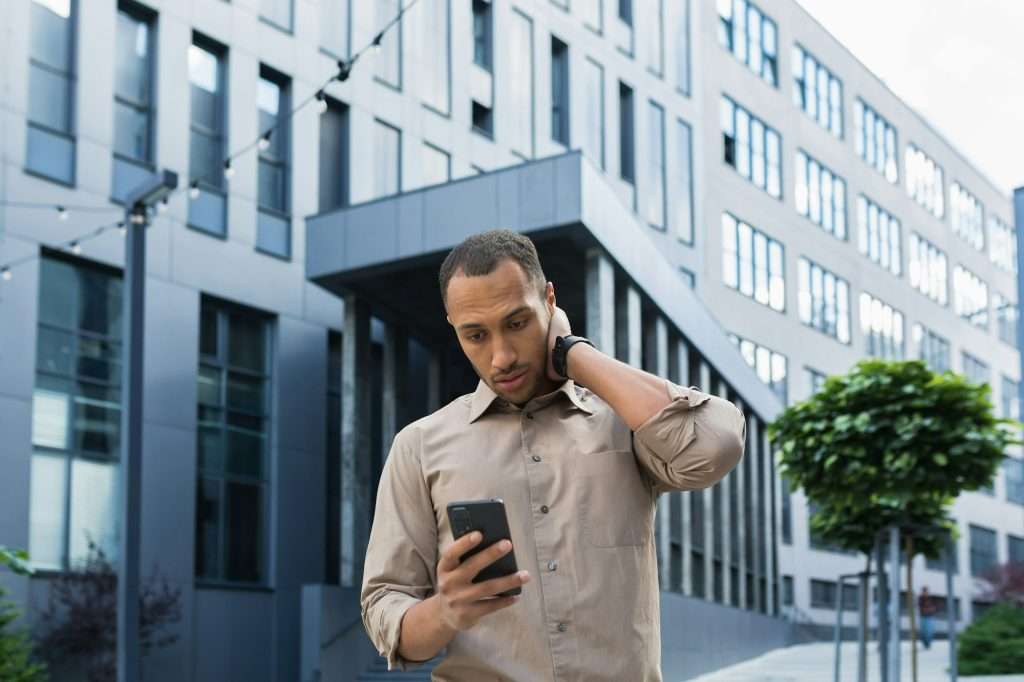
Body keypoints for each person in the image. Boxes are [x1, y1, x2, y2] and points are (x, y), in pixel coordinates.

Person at [360, 230, 746, 681]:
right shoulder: (419, 446)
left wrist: (573, 353)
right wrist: (445, 611)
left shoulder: (623, 419)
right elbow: (384, 607)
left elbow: (715, 445)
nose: (500, 356)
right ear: (453, 327)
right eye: (476, 335)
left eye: (518, 322)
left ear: (549, 300)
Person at [918, 585, 940, 649]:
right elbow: (920, 607)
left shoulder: (931, 598)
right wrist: (925, 609)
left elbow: (936, 606)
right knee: (923, 631)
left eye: (926, 591)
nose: (925, 593)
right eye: (924, 591)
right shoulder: (921, 598)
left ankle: (928, 644)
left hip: (930, 617)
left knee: (929, 631)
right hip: (923, 617)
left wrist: (932, 609)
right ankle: (925, 643)